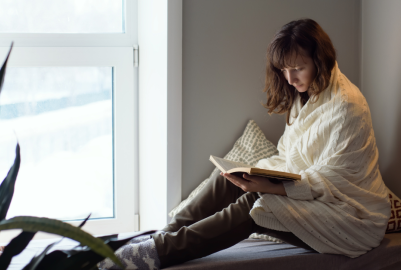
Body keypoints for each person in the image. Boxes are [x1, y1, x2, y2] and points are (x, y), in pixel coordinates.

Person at [98, 18, 391, 270]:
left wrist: (270, 187)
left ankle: (157, 253)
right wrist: (254, 173)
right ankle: (163, 236)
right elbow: (289, 157)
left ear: (320, 59)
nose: (289, 79)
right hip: (315, 196)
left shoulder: (346, 107)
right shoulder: (308, 95)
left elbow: (332, 183)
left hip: (350, 218)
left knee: (258, 205)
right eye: (283, 70)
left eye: (298, 68)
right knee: (228, 176)